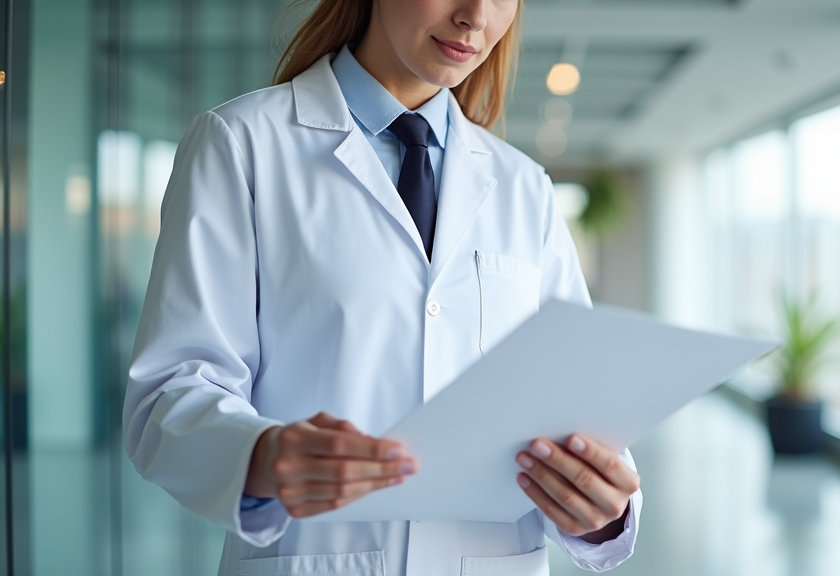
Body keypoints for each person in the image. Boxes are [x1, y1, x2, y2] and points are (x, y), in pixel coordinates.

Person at [123, 0, 643, 574]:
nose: (476, 16)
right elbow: (169, 390)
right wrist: (260, 457)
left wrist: (602, 508)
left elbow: (574, 404)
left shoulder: (525, 188)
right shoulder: (241, 144)